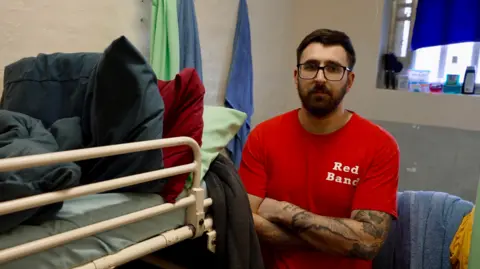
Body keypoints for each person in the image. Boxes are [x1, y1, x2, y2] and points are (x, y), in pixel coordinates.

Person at [239, 28, 400, 269]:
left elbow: (367, 242)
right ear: (296, 76)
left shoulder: (380, 146)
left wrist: (284, 210)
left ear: (350, 81)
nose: (320, 78)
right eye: (311, 66)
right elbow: (244, 220)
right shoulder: (262, 136)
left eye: (333, 68)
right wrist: (333, 239)